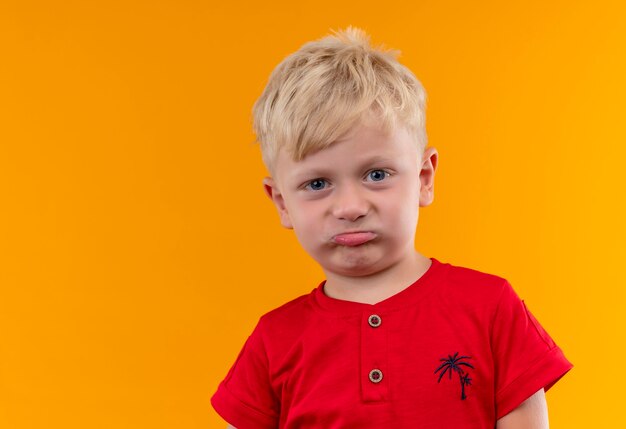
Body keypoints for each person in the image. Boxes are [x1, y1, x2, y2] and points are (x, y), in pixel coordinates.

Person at [210, 26, 573, 428]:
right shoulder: (273, 341)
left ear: (423, 178)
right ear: (281, 203)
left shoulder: (491, 308)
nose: (349, 207)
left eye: (377, 174)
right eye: (317, 184)